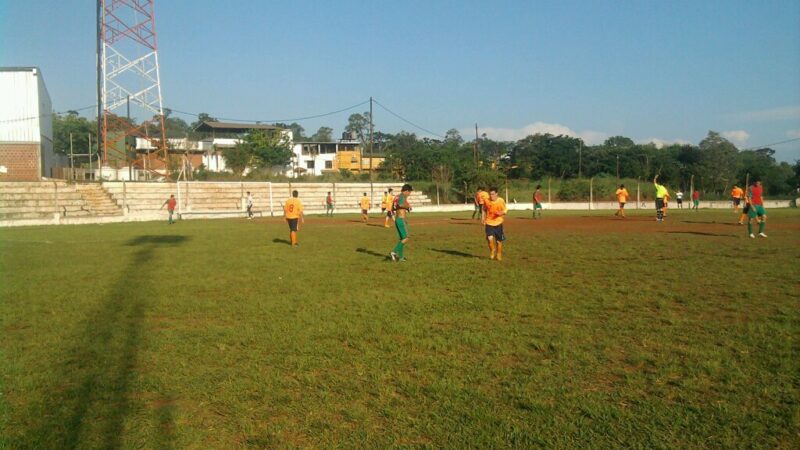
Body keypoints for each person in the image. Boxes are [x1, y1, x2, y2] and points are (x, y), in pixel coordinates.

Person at [483, 187, 508, 261]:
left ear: (497, 194)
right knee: (489, 238)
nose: (491, 196)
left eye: (493, 194)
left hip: (498, 223)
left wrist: (501, 213)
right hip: (489, 222)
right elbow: (484, 209)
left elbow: (505, 210)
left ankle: (499, 254)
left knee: (498, 241)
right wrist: (483, 217)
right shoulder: (486, 200)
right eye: (490, 194)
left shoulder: (501, 200)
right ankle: (492, 251)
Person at [390, 184, 413, 261]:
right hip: (400, 219)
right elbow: (400, 204)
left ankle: (401, 257)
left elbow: (393, 207)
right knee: (406, 238)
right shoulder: (402, 196)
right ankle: (394, 252)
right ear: (406, 191)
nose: (409, 194)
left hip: (397, 219)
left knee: (402, 239)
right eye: (409, 192)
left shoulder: (397, 196)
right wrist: (408, 207)